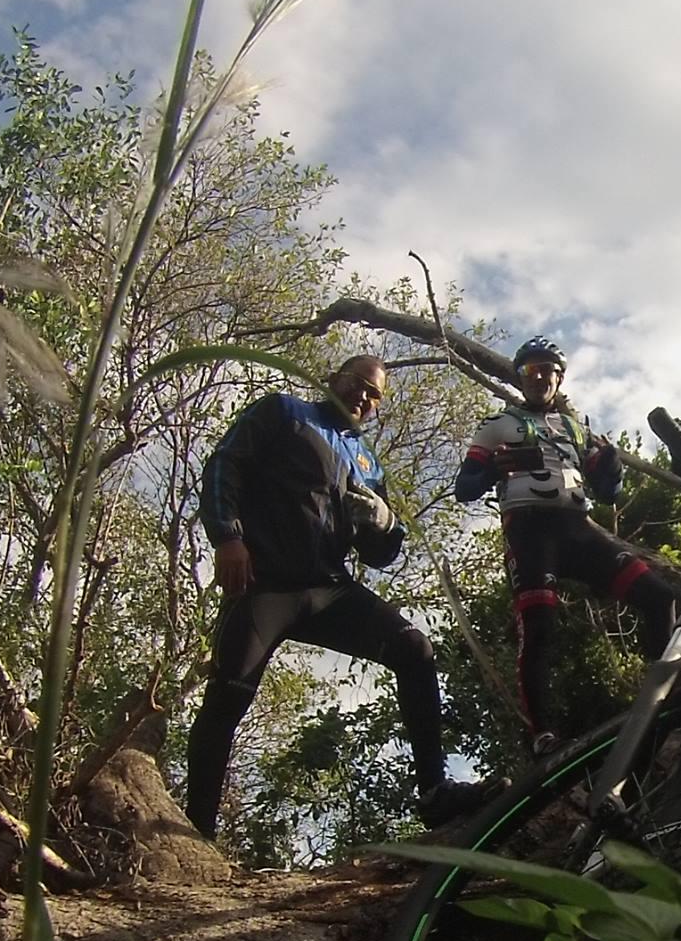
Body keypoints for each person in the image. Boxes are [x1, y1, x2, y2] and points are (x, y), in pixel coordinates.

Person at [185, 353, 500, 840]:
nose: (365, 397)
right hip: (264, 585)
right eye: (359, 384)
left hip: (330, 589)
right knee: (227, 699)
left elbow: (381, 555)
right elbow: (225, 463)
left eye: (375, 394)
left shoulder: (367, 460)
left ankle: (435, 793)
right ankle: (197, 834)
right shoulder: (283, 412)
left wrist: (385, 522)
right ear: (332, 377)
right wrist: (227, 536)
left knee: (415, 649)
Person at [454, 336, 680, 755]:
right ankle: (543, 735)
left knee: (658, 596)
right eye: (530, 370)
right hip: (529, 530)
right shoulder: (495, 424)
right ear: (520, 376)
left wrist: (613, 468)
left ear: (560, 378)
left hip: (577, 527)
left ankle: (660, 700)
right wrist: (492, 472)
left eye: (549, 370)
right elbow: (463, 488)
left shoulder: (576, 429)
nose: (540, 376)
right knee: (539, 627)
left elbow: (609, 491)